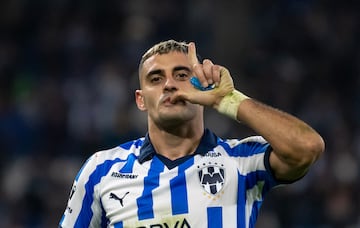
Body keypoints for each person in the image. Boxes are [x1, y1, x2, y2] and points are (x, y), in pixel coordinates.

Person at [59, 40, 325, 228]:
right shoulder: (102, 170)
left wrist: (230, 100)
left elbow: (307, 147)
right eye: (156, 79)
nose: (170, 85)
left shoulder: (240, 161)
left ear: (202, 86)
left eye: (181, 74)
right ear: (141, 100)